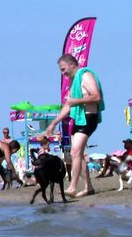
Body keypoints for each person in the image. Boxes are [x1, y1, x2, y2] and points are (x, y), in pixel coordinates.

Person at [43, 53, 104, 198]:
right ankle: (88, 187)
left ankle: (72, 187)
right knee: (79, 154)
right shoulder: (72, 81)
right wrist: (53, 123)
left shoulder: (85, 75)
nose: (62, 73)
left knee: (75, 152)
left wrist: (75, 101)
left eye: (63, 69)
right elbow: (68, 105)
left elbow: (96, 96)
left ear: (72, 64)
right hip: (78, 119)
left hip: (89, 118)